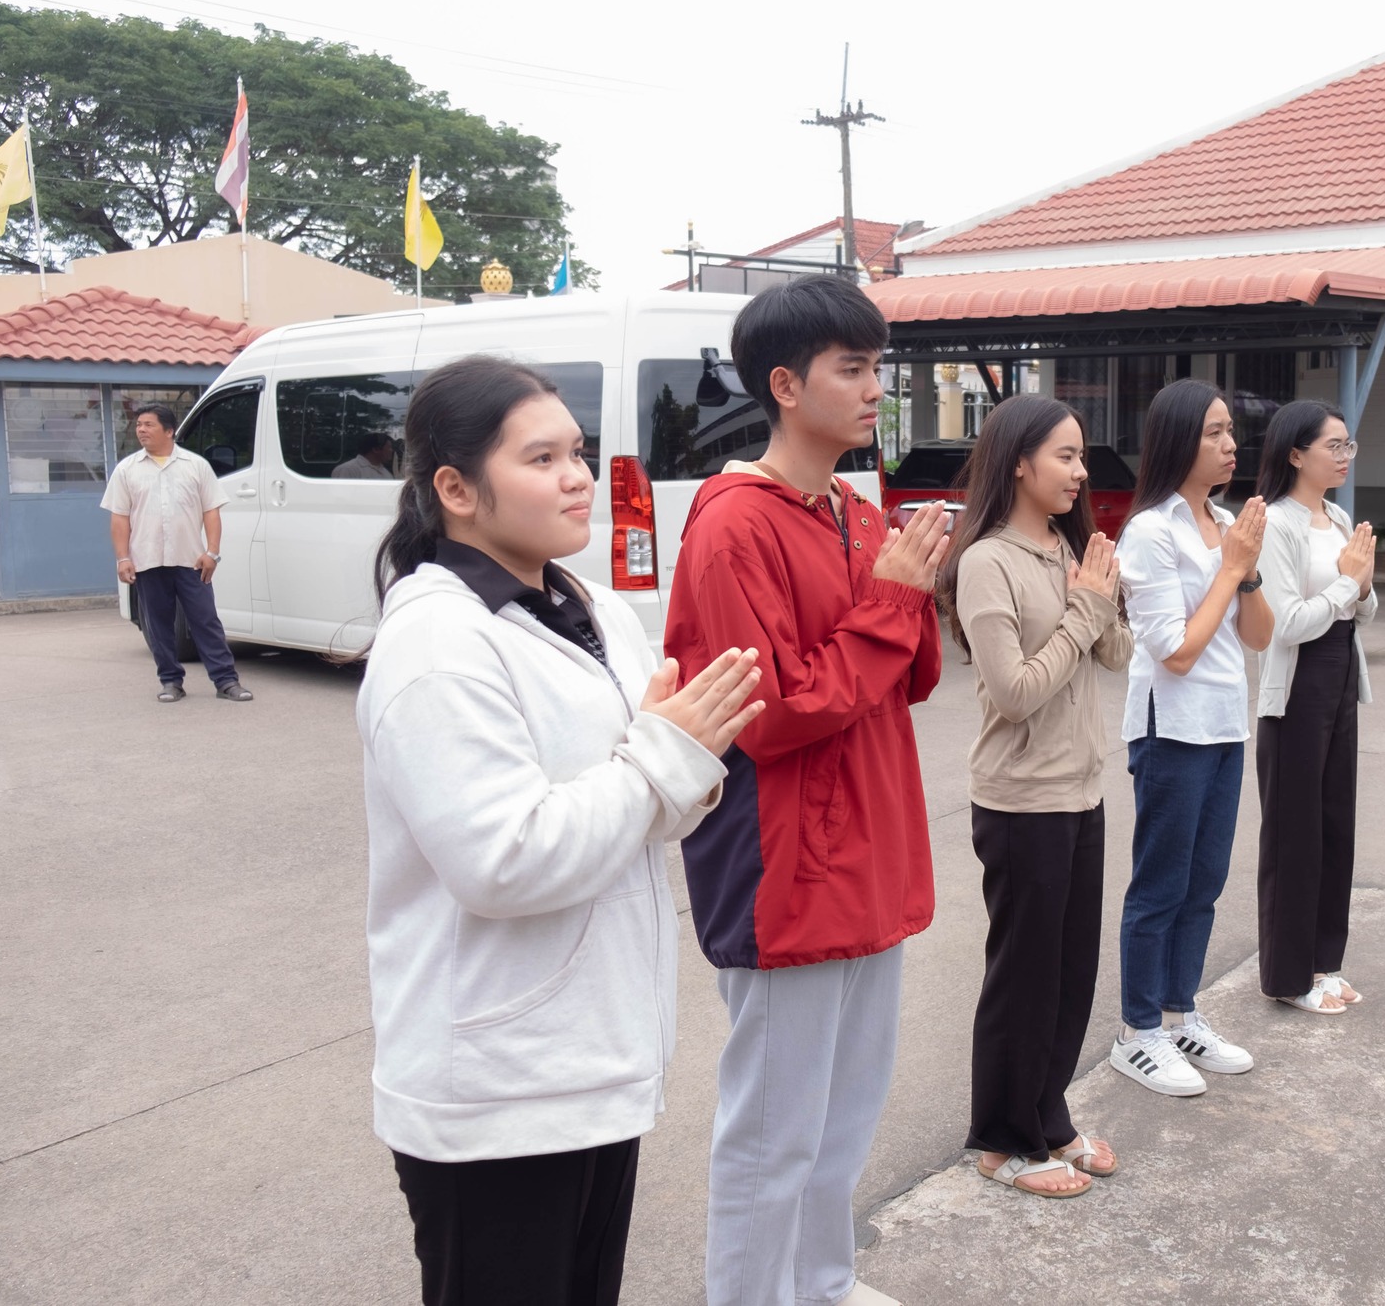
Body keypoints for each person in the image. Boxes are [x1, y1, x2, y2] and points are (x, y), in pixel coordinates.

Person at [357, 355, 765, 1306]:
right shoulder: (437, 644)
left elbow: (652, 780)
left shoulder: (586, 605)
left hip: (589, 1057)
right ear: (455, 489)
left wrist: (684, 757)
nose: (578, 476)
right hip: (498, 1089)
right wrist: (668, 755)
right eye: (542, 458)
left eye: (577, 452)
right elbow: (504, 859)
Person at [664, 276, 946, 1306]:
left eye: (879, 368)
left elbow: (907, 678)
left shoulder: (853, 511)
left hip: (868, 845)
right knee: (774, 1127)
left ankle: (819, 1282)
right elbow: (771, 710)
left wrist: (908, 592)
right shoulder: (733, 525)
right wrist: (892, 602)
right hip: (788, 858)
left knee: (844, 1113)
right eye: (853, 369)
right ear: (785, 385)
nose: (876, 389)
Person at [936, 396, 1134, 1199]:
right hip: (1021, 800)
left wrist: (1108, 592)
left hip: (1080, 788)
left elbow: (1115, 653)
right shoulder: (989, 560)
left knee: (1069, 971)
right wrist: (1085, 611)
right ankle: (1002, 1140)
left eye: (1082, 456)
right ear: (1018, 460)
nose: (1081, 471)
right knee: (1023, 975)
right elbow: (1014, 691)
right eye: (1066, 456)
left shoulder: (1065, 546)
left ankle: (1047, 1115)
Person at [1110, 379, 1274, 1098]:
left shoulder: (1227, 523)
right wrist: (1231, 568)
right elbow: (1174, 649)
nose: (1230, 443)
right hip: (1169, 728)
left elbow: (1260, 634)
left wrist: (1249, 567)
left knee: (1203, 882)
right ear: (1179, 439)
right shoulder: (1151, 531)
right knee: (1161, 884)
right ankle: (1138, 1030)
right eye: (1213, 432)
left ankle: (1181, 1014)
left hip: (1224, 725)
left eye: (1231, 431)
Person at [1252, 402, 1378, 1016]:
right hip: (1298, 686)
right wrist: (1347, 584)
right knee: (1293, 834)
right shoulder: (1276, 524)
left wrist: (1364, 584)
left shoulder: (1337, 515)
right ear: (1295, 454)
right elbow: (1285, 624)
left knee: (1334, 825)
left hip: (1341, 677)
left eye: (1348, 445)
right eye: (1334, 445)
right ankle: (1288, 975)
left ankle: (1326, 963)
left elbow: (1362, 611)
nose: (1344, 455)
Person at [101, 403, 252, 702]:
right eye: (139, 425)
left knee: (206, 620)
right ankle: (170, 681)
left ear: (169, 431)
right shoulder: (127, 470)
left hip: (192, 560)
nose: (141, 429)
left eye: (148, 424)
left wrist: (213, 552)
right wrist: (123, 557)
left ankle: (226, 681)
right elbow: (119, 517)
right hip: (147, 560)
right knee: (157, 624)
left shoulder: (195, 466)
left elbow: (211, 511)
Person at [333, 431, 398, 479]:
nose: (391, 451)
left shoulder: (386, 473)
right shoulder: (348, 469)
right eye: (389, 447)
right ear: (376, 449)